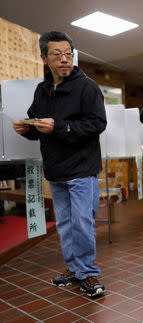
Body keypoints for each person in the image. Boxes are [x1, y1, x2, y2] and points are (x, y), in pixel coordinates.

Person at [13, 31, 107, 297]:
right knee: (65, 224)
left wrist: (60, 126)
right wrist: (27, 129)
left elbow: (98, 124)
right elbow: (37, 124)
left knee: (82, 222)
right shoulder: (42, 90)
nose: (64, 59)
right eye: (57, 54)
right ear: (44, 57)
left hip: (82, 169)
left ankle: (88, 273)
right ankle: (75, 269)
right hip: (55, 170)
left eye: (68, 54)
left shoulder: (86, 87)